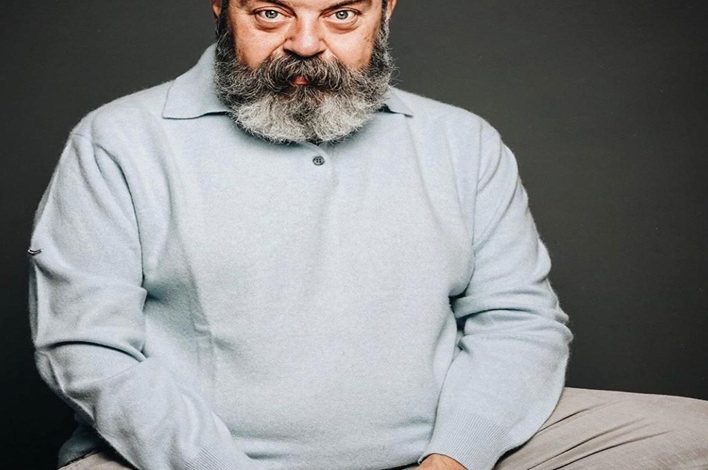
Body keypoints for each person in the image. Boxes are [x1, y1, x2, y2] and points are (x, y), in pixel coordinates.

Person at [27, 1, 708, 469]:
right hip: (192, 457)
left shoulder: (461, 141)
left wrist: (457, 455)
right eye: (270, 13)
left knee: (692, 437)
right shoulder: (120, 141)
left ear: (386, 10)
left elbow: (518, 321)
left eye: (343, 14)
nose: (305, 43)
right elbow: (87, 348)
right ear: (220, 7)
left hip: (433, 450)